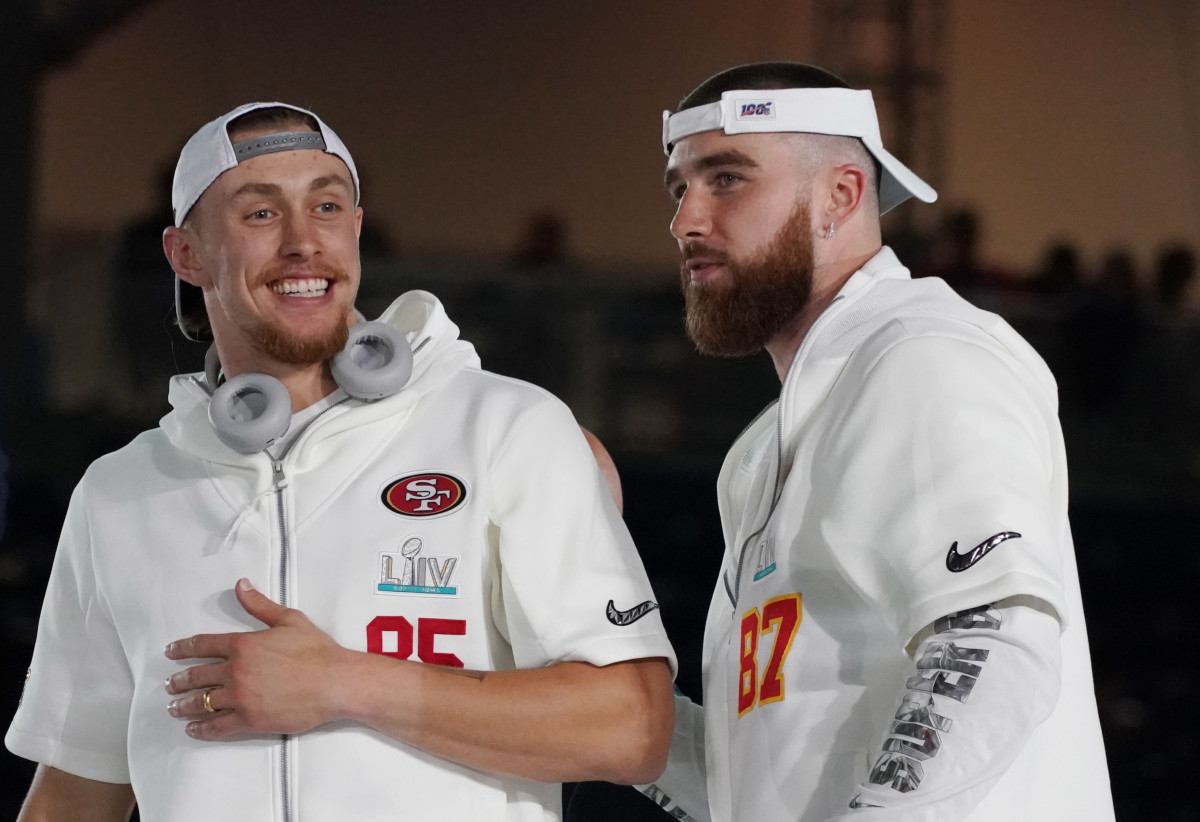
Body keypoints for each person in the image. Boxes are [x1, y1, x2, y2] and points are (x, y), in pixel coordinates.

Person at [6, 102, 676, 821]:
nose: (303, 242)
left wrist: (346, 686)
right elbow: (75, 794)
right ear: (185, 255)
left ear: (355, 229)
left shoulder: (506, 429)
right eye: (259, 214)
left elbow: (631, 729)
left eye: (326, 205)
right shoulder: (122, 494)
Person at [638, 63, 1114, 821]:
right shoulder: (758, 456)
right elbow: (748, 786)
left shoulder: (924, 353)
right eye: (679, 188)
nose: (686, 219)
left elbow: (996, 649)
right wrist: (580, 666)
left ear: (842, 196)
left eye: (726, 178)